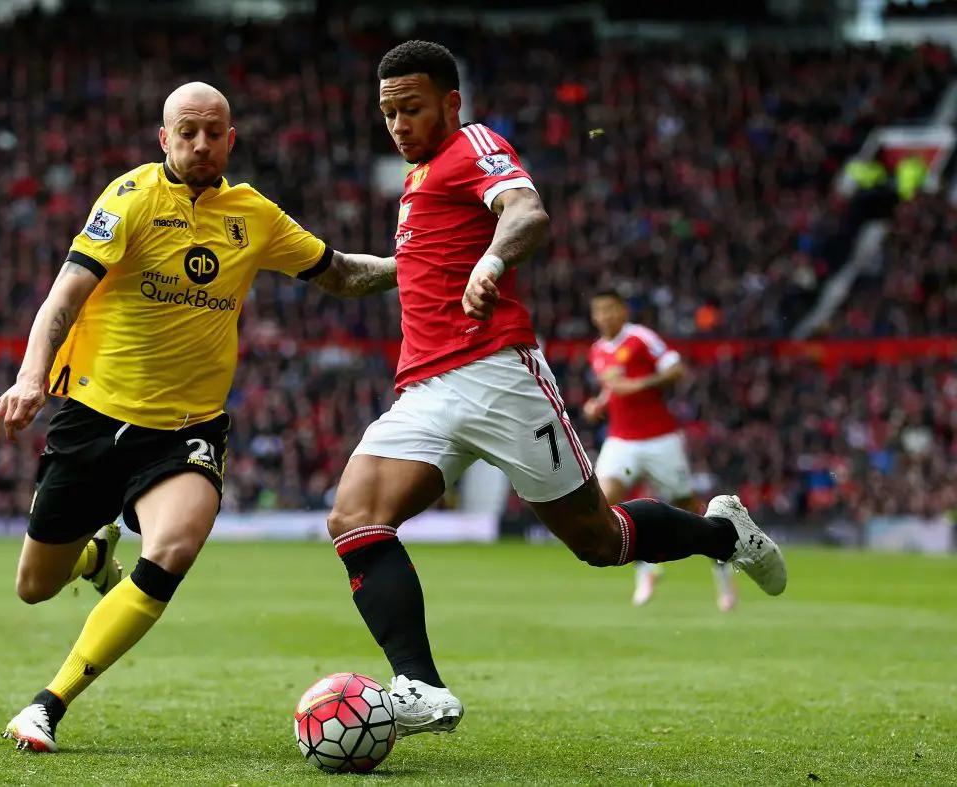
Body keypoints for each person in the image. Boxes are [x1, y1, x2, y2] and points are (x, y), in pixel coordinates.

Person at [324, 40, 788, 738]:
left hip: (497, 376)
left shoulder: (473, 144)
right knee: (353, 516)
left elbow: (525, 211)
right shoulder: (418, 181)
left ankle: (724, 531)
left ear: (451, 103)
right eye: (388, 112)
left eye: (411, 108)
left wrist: (492, 257)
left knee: (599, 540)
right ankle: (420, 685)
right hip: (423, 389)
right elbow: (389, 269)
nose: (398, 124)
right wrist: (301, 260)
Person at [0, 82, 398, 753]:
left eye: (213, 132)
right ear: (164, 138)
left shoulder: (254, 214)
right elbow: (66, 293)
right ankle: (93, 552)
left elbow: (342, 273)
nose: (200, 143)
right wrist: (32, 376)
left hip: (187, 430)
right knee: (35, 585)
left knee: (173, 547)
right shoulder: (130, 198)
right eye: (187, 131)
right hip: (92, 418)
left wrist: (416, 267)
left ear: (231, 139)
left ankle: (46, 704)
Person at [585, 290, 737, 611]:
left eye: (611, 309)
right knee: (601, 503)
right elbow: (611, 388)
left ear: (623, 311)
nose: (606, 316)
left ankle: (723, 573)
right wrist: (597, 404)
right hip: (620, 439)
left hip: (659, 438)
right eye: (600, 311)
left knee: (690, 508)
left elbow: (676, 369)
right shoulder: (597, 350)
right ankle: (646, 568)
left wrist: (639, 384)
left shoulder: (641, 338)